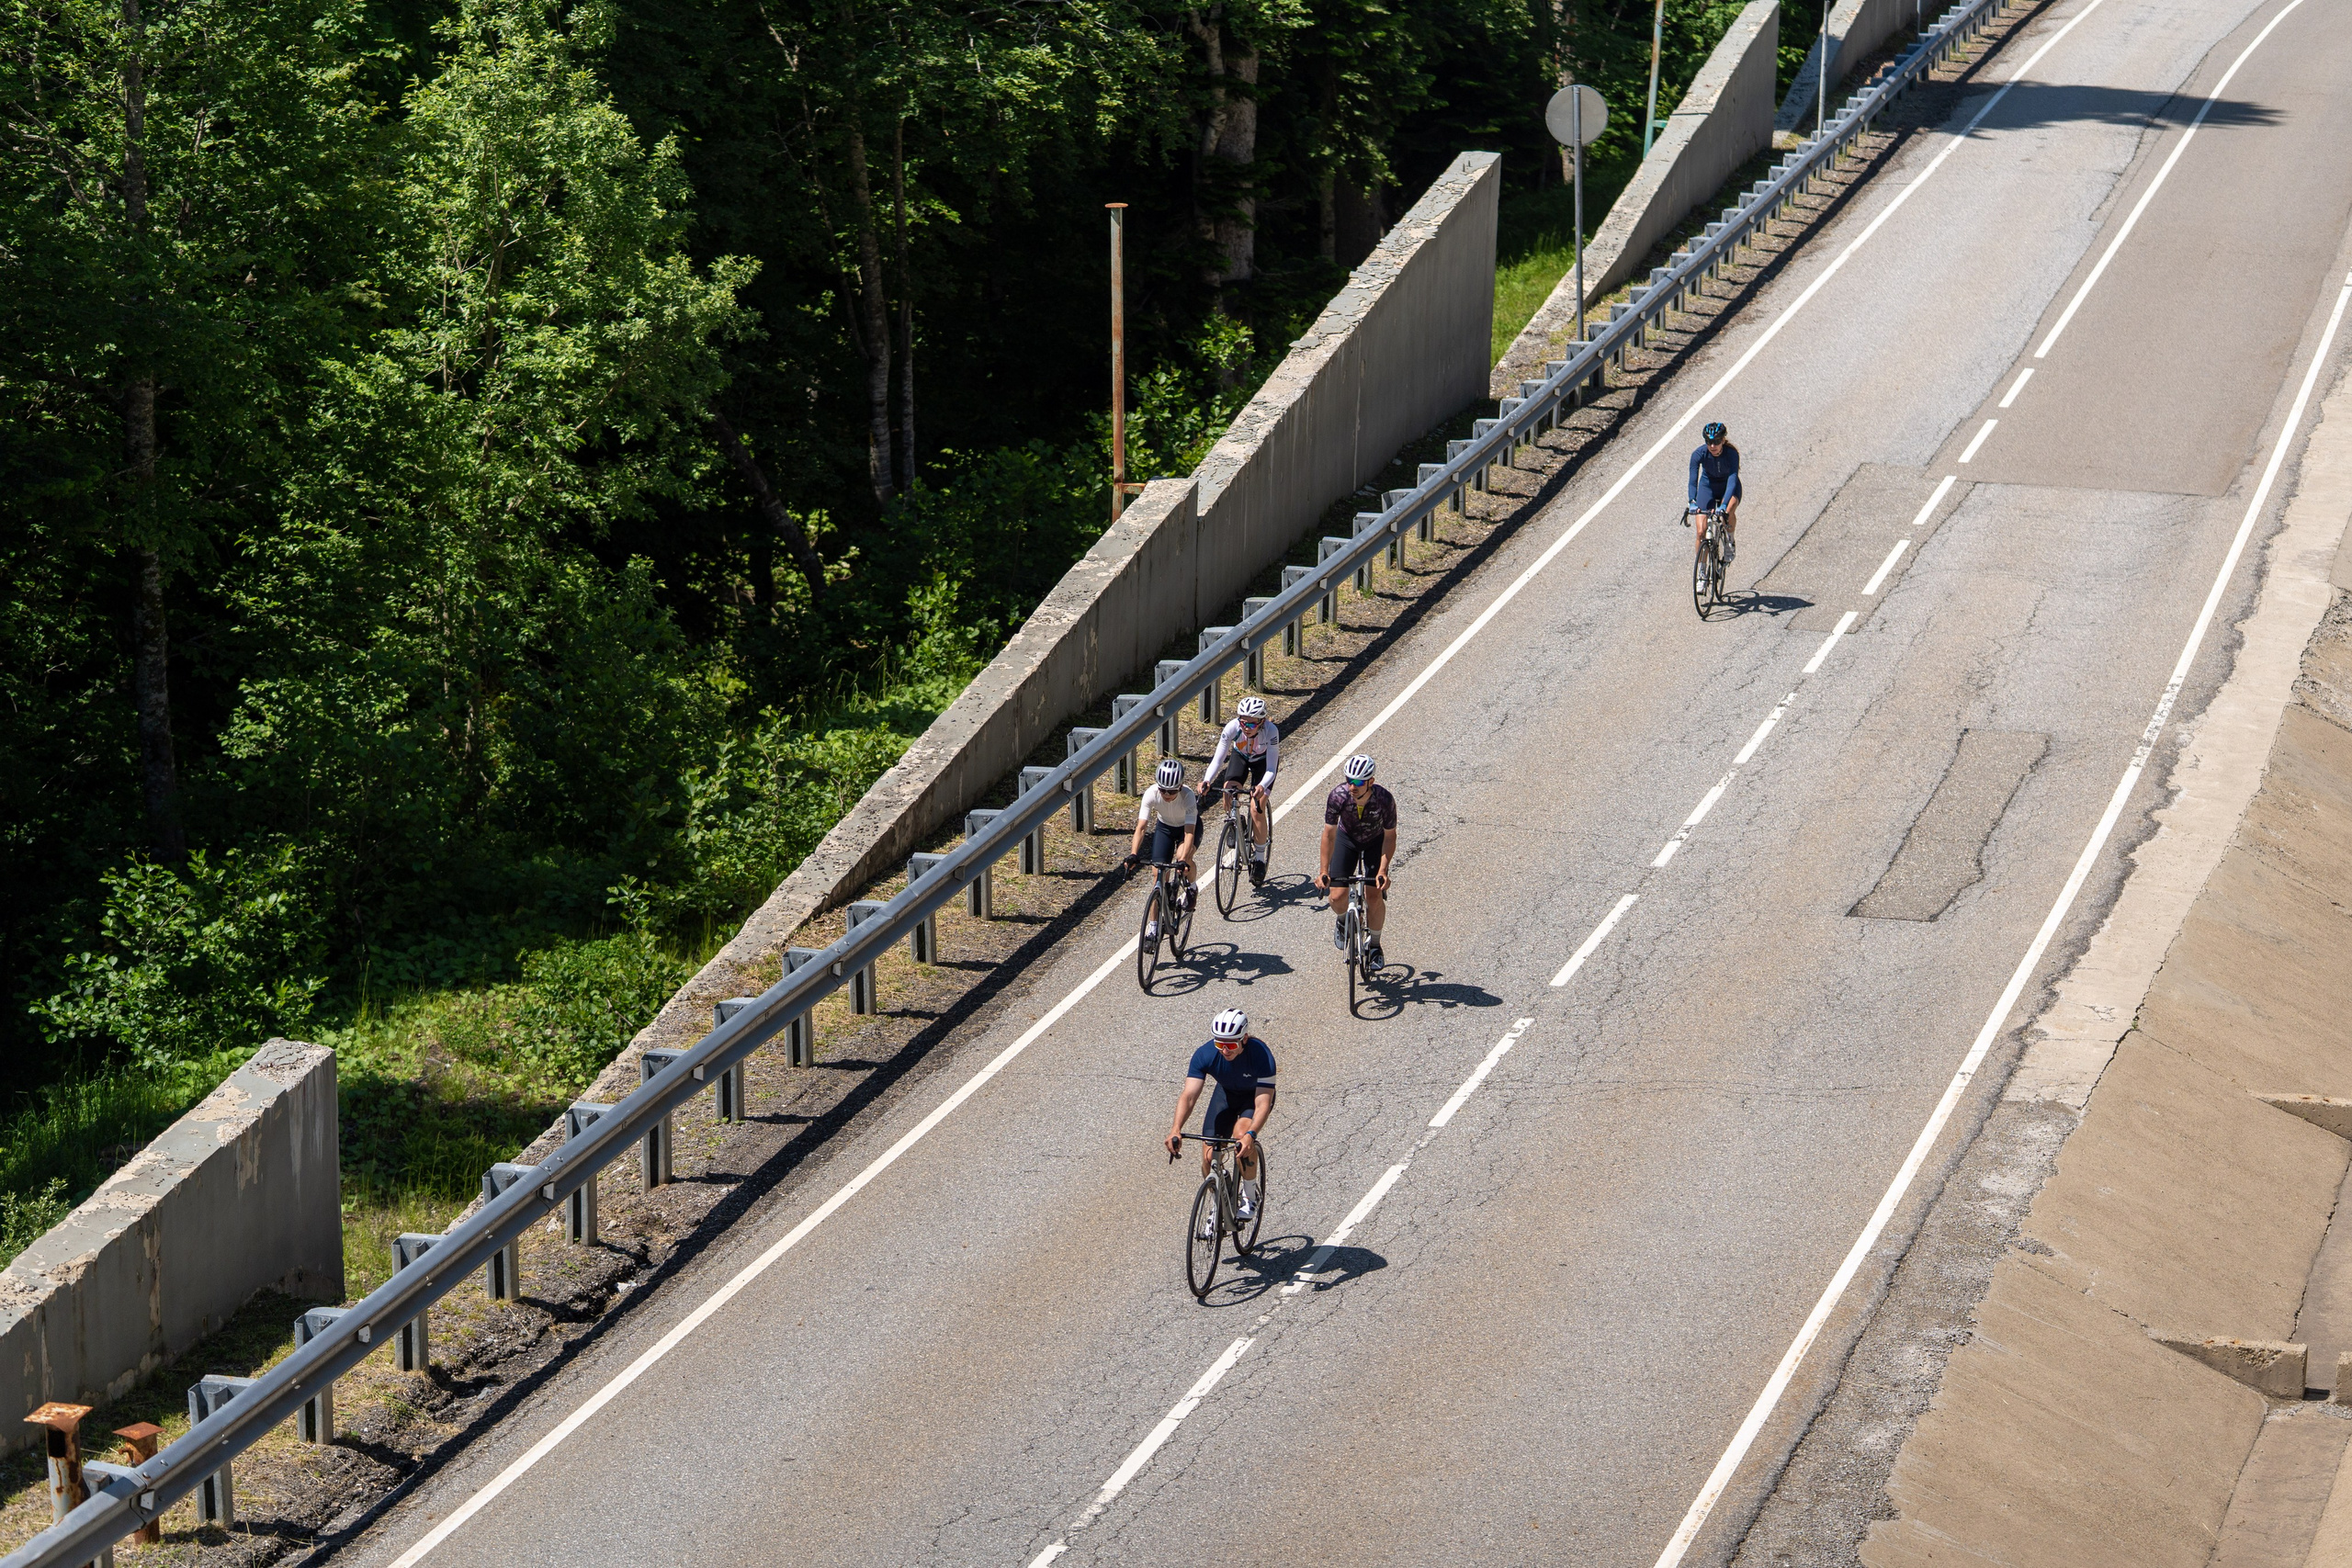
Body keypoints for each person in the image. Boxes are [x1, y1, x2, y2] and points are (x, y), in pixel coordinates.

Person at [1165, 1007, 1274, 1224]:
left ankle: (1250, 1195)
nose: (1224, 1050)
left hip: (1254, 1097)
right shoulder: (1205, 1054)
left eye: (1231, 1045)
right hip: (1226, 1094)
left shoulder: (1261, 1055)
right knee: (1208, 1157)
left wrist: (1251, 1134)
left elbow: (1263, 1104)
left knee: (1241, 1135)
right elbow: (1189, 1096)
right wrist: (1175, 1128)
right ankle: (1218, 1202)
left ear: (1244, 1039)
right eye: (1219, 1044)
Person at [1317, 753, 1396, 969]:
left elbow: (1390, 837)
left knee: (1374, 896)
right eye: (1349, 780)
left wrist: (1383, 871)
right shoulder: (1338, 796)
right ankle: (1344, 920)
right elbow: (1329, 835)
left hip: (1375, 842)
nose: (1352, 786)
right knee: (1336, 896)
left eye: (1359, 782)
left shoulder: (1384, 799)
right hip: (1347, 839)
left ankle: (1375, 946)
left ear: (1371, 782)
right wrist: (1324, 870)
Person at [1203, 695, 1279, 886]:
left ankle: (1259, 859)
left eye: (1251, 724)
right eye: (1243, 722)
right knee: (1228, 791)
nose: (1246, 727)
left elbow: (1271, 768)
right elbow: (1218, 759)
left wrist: (1261, 786)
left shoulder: (1271, 731)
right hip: (1241, 757)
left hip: (1263, 764)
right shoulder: (1232, 728)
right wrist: (1207, 780)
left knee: (1256, 808)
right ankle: (1236, 820)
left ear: (1261, 722)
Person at [1125, 758, 1200, 942]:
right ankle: (1153, 926)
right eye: (1163, 789)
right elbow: (1141, 828)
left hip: (1186, 829)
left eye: (1172, 791)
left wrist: (1183, 861)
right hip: (1164, 828)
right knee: (1157, 873)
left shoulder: (1188, 796)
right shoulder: (1151, 794)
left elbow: (1189, 833)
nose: (1166, 794)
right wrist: (1133, 854)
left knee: (1182, 856)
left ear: (1180, 786)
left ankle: (1192, 887)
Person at [1687, 420, 1742, 563]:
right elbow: (1693, 480)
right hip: (1708, 487)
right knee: (1701, 532)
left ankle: (1729, 540)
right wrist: (1692, 501)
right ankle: (1702, 570)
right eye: (1709, 442)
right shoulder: (1698, 454)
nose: (1712, 446)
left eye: (1717, 442)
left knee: (1727, 512)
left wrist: (1723, 505)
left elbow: (1732, 480)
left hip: (1728, 487)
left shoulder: (1732, 454)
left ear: (1723, 440)